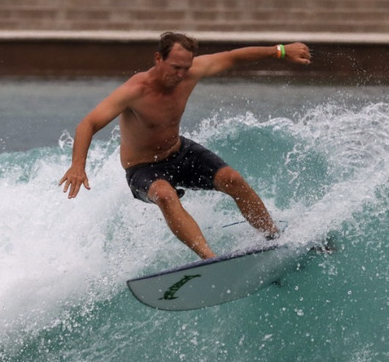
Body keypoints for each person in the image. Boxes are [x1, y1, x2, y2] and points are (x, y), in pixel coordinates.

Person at [59, 32, 312, 259]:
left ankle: (274, 239)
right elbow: (88, 124)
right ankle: (210, 259)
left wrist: (280, 51)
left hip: (180, 152)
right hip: (143, 169)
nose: (180, 74)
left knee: (233, 179)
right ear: (158, 58)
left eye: (186, 68)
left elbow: (233, 57)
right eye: (175, 67)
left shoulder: (190, 73)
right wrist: (78, 166)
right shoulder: (135, 90)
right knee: (165, 195)